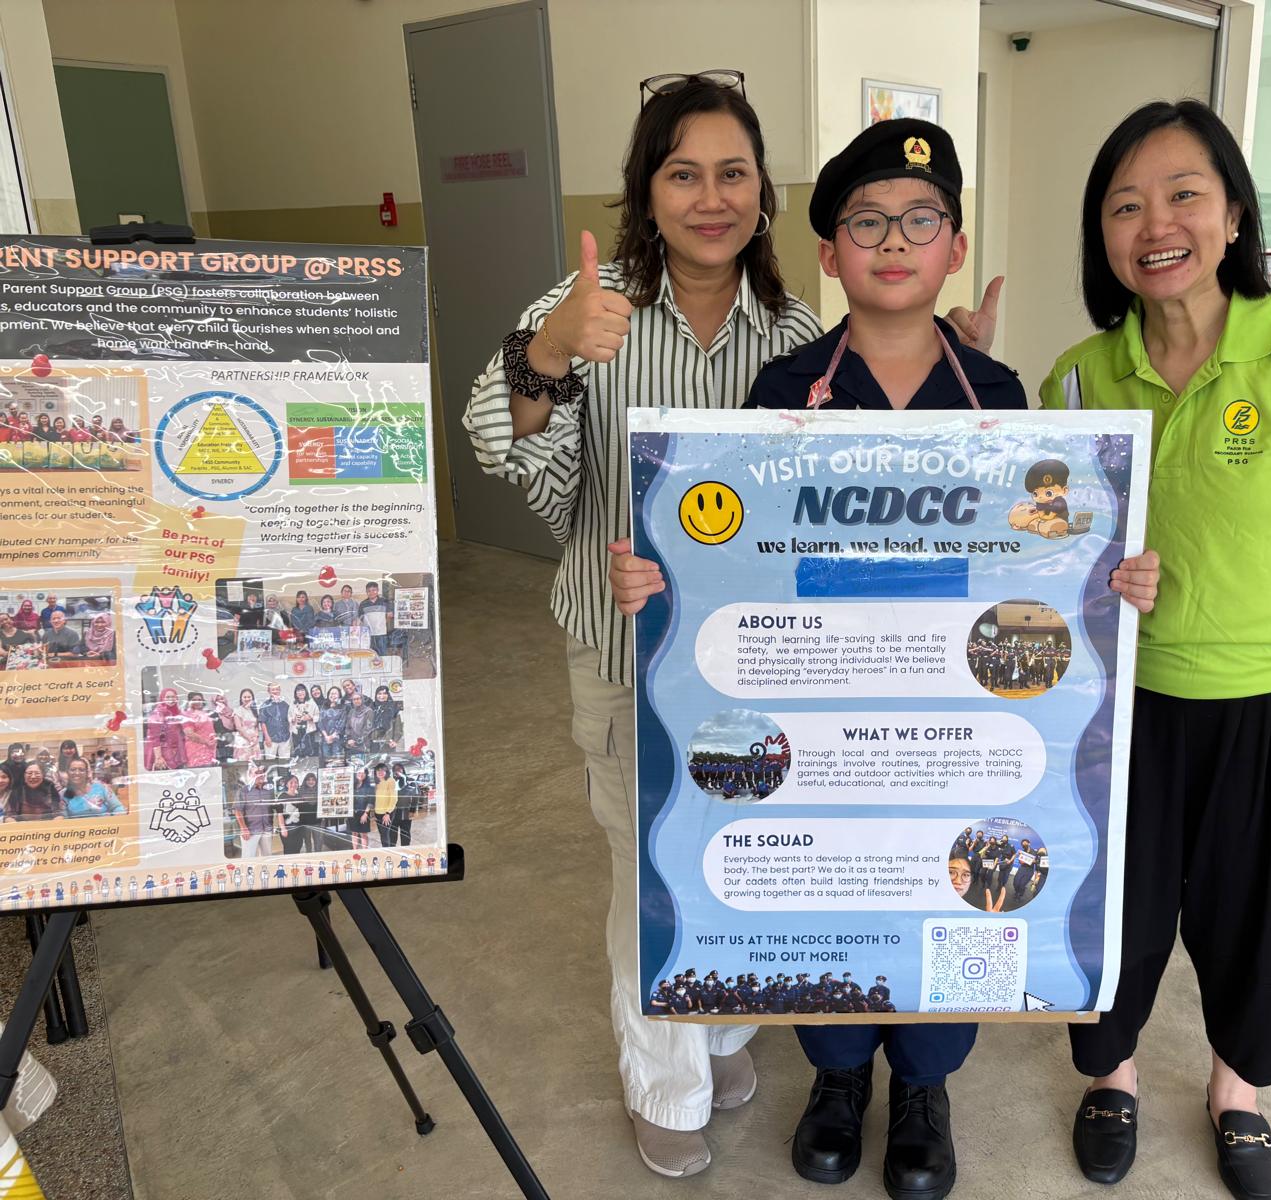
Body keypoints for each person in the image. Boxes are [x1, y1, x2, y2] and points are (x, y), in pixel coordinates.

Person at [611, 118, 1154, 1200]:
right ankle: (835, 1076)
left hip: (956, 713)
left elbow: (1043, 556)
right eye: (865, 222)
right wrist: (656, 578)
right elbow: (734, 561)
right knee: (831, 868)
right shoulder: (782, 392)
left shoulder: (998, 399)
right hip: (819, 706)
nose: (893, 242)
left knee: (943, 873)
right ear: (829, 251)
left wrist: (1110, 581)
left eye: (919, 220)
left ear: (955, 245)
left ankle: (923, 1088)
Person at [461, 72, 826, 1179]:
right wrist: (553, 349)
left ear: (763, 193)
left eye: (732, 174)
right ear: (646, 191)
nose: (710, 198)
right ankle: (663, 1080)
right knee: (651, 868)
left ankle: (719, 1027)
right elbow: (500, 444)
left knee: (742, 848)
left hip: (757, 666)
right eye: (682, 174)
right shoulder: (591, 307)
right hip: (624, 654)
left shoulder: (795, 332)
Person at [1040, 100, 1271, 1200]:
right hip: (1121, 706)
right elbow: (1050, 554)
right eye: (1125, 206)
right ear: (1102, 236)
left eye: (1183, 195)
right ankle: (1110, 1076)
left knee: (1267, 921)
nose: (1157, 224)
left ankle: (1236, 1090)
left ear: (1233, 214)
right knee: (1114, 912)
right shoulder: (1077, 379)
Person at [231, 764, 278, 857]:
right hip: (250, 830)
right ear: (250, 775)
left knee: (267, 856)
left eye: (262, 773)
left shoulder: (269, 791)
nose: (260, 775)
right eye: (257, 773)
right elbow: (237, 811)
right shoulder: (243, 791)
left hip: (267, 830)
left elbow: (272, 808)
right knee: (249, 857)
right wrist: (244, 828)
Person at [144, 687, 186, 771]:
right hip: (162, 753)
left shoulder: (177, 712)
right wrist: (158, 757)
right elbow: (154, 737)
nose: (171, 699)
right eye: (168, 697)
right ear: (162, 698)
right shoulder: (158, 713)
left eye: (173, 697)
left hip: (175, 751)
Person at [180, 692, 218, 768]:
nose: (197, 702)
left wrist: (213, 744)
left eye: (199, 700)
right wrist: (206, 742)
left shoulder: (205, 714)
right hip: (195, 750)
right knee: (199, 772)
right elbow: (189, 734)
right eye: (194, 700)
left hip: (209, 750)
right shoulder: (186, 715)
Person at [258, 683, 292, 759]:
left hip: (285, 738)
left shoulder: (285, 705)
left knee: (285, 761)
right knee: (270, 761)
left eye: (277, 689)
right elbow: (262, 722)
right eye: (273, 689)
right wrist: (267, 737)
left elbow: (289, 720)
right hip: (271, 738)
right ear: (268, 691)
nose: (275, 691)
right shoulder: (265, 705)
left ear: (280, 690)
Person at [232, 688, 263, 762]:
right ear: (241, 698)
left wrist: (256, 737)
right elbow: (238, 727)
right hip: (243, 740)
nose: (247, 699)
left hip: (254, 740)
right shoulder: (237, 710)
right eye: (245, 697)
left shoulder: (255, 710)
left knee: (255, 764)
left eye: (249, 697)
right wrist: (249, 739)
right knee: (243, 763)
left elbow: (256, 726)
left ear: (252, 698)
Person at [289, 683, 320, 757]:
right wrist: (293, 719)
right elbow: (289, 717)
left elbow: (318, 716)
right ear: (296, 693)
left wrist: (310, 718)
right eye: (298, 691)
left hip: (309, 731)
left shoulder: (311, 702)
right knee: (298, 752)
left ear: (305, 692)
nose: (300, 692)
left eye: (302, 690)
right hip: (296, 732)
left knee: (309, 752)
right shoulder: (293, 704)